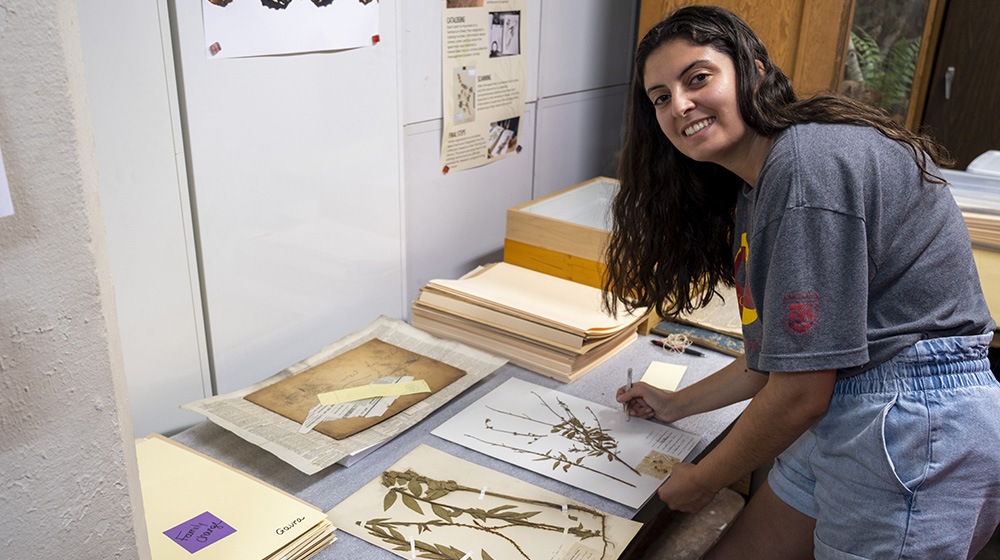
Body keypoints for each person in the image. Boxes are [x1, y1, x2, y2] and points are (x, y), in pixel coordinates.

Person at [605, 6, 1000, 559]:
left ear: (755, 72)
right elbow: (774, 356)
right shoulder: (758, 184)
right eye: (661, 97)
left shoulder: (804, 166)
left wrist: (705, 478)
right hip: (856, 402)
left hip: (911, 422)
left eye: (697, 78)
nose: (680, 105)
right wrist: (675, 405)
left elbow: (799, 392)